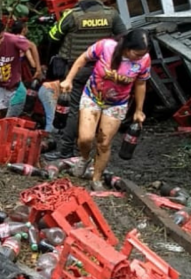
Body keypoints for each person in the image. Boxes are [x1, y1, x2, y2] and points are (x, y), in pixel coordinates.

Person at [42, 0, 127, 159]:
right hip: (103, 72)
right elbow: (123, 38)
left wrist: (50, 61)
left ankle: (66, 150)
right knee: (99, 106)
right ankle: (97, 151)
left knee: (74, 108)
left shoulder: (72, 15)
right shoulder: (111, 15)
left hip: (76, 69)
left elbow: (53, 37)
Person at [60, 29, 150, 191]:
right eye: (137, 54)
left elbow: (141, 83)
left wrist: (139, 109)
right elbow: (82, 59)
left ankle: (96, 178)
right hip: (93, 96)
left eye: (142, 54)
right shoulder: (105, 46)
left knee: (104, 143)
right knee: (85, 138)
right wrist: (69, 79)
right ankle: (85, 158)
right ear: (127, 47)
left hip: (117, 103)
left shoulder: (144, 61)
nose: (139, 57)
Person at [6, 20, 43, 119]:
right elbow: (32, 60)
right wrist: (39, 68)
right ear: (23, 29)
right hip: (19, 68)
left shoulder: (9, 38)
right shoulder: (22, 40)